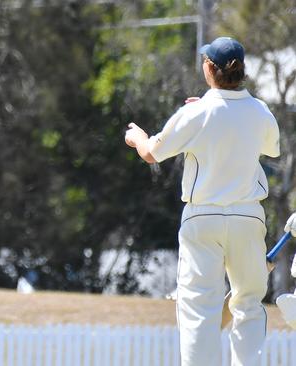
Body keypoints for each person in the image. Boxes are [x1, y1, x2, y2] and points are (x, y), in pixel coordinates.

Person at [124, 36, 280, 366]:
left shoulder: (195, 112)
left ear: (209, 69)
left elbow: (152, 153)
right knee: (249, 302)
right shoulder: (260, 112)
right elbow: (269, 147)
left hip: (203, 219)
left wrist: (136, 137)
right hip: (247, 217)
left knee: (198, 307)